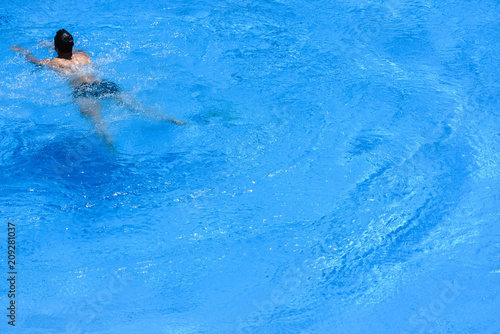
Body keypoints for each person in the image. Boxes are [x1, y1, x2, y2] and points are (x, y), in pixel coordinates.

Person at [12, 29, 184, 150]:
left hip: (83, 91)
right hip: (104, 84)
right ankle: (171, 119)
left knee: (98, 121)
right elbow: (68, 49)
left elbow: (33, 60)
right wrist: (52, 45)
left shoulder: (54, 62)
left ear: (56, 49)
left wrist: (22, 51)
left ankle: (111, 145)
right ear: (72, 45)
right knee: (137, 106)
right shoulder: (82, 55)